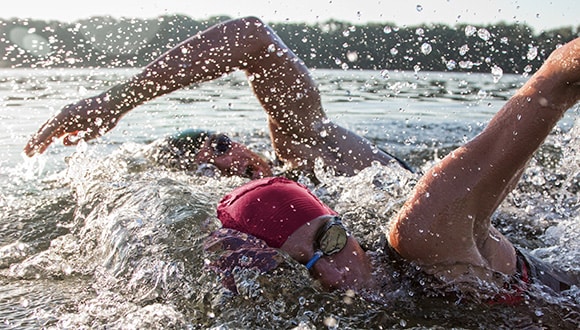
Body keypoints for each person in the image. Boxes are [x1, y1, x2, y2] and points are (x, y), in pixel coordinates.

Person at [215, 36, 580, 302]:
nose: (333, 275)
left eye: (330, 242)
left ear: (343, 223)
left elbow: (558, 75)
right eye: (301, 268)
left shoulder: (427, 233)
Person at [23, 16, 413, 180]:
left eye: (221, 145)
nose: (228, 162)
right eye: (207, 170)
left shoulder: (303, 145)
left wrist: (116, 102)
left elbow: (255, 38)